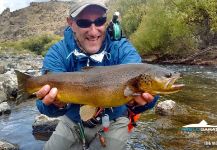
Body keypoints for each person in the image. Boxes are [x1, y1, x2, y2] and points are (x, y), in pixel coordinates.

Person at [35, 1, 159, 150]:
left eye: (99, 21)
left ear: (105, 20)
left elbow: (148, 85)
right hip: (72, 121)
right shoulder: (58, 53)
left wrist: (141, 102)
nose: (93, 32)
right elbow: (42, 105)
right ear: (71, 23)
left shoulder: (122, 48)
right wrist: (56, 105)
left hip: (114, 120)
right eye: (84, 23)